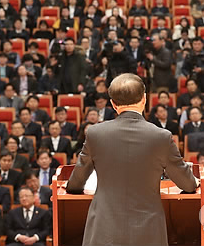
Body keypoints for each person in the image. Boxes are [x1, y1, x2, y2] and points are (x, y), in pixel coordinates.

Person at [66, 73, 197, 246]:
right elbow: (188, 185)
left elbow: (75, 185)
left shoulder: (95, 133)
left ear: (112, 103)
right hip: (148, 231)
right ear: (144, 99)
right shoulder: (161, 136)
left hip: (104, 229)